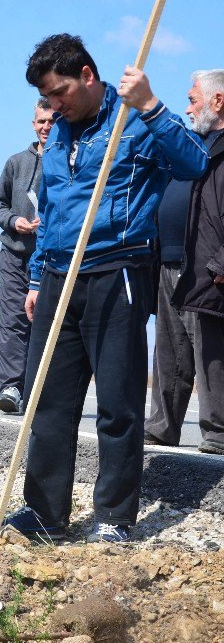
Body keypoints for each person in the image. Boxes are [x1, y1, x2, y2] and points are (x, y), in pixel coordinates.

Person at [0, 34, 207, 544]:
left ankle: (113, 516)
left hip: (119, 271)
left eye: (59, 92)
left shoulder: (137, 118)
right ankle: (44, 513)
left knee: (118, 401)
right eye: (46, 98)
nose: (53, 105)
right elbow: (52, 209)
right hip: (60, 276)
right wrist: (40, 275)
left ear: (87, 75)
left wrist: (151, 105)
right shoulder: (59, 133)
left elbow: (195, 162)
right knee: (48, 400)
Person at [166, 69, 224, 455]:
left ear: (218, 101)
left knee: (211, 350)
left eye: (192, 99)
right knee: (170, 349)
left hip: (209, 265)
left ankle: (217, 431)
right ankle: (162, 426)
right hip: (171, 258)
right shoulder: (194, 144)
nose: (188, 108)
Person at [0, 99, 55, 412]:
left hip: (55, 258)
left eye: (52, 121)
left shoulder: (72, 160)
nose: (46, 127)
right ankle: (11, 388)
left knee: (49, 323)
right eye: (41, 121)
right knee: (13, 320)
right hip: (15, 254)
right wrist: (14, 221)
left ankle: (39, 392)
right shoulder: (16, 162)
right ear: (33, 124)